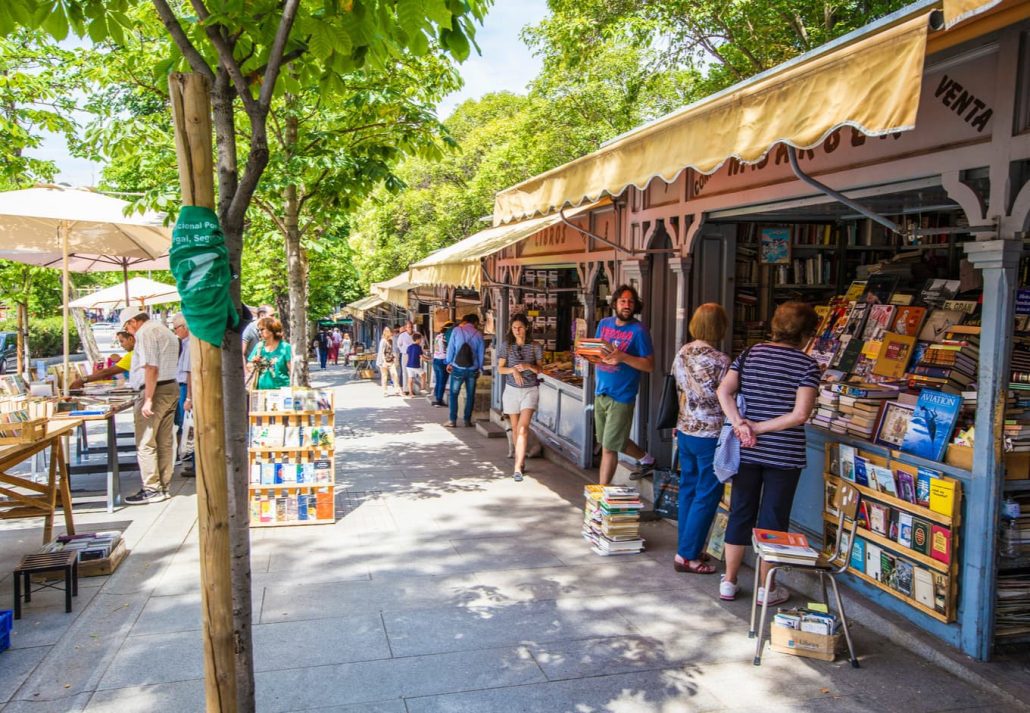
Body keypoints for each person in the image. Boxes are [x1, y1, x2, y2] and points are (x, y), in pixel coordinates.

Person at [716, 301, 820, 605]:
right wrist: (758, 428)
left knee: (740, 511)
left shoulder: (749, 354)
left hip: (746, 451)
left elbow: (724, 391)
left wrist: (740, 425)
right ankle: (766, 588)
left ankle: (729, 581)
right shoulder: (807, 366)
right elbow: (801, 415)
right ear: (806, 333)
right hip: (784, 455)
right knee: (773, 519)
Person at [670, 304, 730, 574]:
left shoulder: (682, 352)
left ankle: (687, 545)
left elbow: (678, 388)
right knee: (708, 492)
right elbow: (726, 396)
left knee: (689, 488)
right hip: (710, 433)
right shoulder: (721, 360)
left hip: (685, 428)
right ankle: (687, 555)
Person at [593, 285, 655, 485]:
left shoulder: (639, 331)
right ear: (615, 304)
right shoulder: (604, 323)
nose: (626, 305)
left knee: (609, 447)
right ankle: (647, 459)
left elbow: (649, 366)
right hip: (601, 391)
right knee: (609, 440)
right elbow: (595, 351)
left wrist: (624, 357)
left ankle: (600, 496)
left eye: (630, 301)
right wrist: (589, 356)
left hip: (622, 395)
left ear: (635, 305)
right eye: (623, 301)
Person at [121, 309, 180, 505]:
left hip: (156, 390)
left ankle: (152, 489)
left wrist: (148, 398)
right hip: (171, 386)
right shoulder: (164, 330)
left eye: (127, 327)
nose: (128, 332)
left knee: (146, 442)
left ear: (133, 322)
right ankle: (163, 485)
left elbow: (151, 367)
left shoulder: (145, 333)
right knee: (164, 441)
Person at [497, 314, 543, 482]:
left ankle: (517, 467)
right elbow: (500, 369)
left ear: (526, 328)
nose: (517, 330)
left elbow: (540, 369)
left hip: (530, 390)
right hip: (511, 391)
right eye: (514, 327)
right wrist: (513, 370)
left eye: (520, 327)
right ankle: (520, 461)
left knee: (523, 429)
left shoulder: (536, 346)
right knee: (516, 429)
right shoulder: (506, 346)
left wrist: (528, 366)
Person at [445, 314, 485, 427]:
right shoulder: (478, 334)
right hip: (472, 369)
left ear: (465, 321)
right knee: (470, 394)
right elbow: (481, 354)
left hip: (457, 368)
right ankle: (467, 420)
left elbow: (451, 348)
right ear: (475, 322)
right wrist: (480, 367)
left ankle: (452, 420)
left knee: (453, 394)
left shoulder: (457, 330)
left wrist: (449, 362)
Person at [171, 313, 195, 478]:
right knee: (186, 424)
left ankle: (194, 461)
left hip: (185, 388)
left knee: (188, 424)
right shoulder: (185, 344)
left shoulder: (189, 345)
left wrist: (188, 398)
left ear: (184, 327)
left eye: (176, 328)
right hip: (183, 387)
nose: (175, 332)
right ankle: (192, 460)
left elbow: (190, 374)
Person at [69, 331, 134, 388]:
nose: (121, 345)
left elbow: (106, 372)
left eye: (122, 341)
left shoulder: (133, 354)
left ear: (130, 339)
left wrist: (82, 380)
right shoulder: (134, 353)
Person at [430, 321, 454, 407]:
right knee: (442, 381)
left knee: (438, 380)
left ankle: (437, 397)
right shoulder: (446, 337)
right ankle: (439, 400)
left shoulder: (438, 336)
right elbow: (449, 348)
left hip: (436, 360)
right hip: (443, 360)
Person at [377, 326, 401, 396]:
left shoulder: (391, 340)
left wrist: (394, 357)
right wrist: (384, 361)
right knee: (384, 376)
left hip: (390, 360)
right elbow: (381, 352)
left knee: (394, 374)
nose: (390, 333)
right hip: (383, 361)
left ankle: (396, 389)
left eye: (390, 332)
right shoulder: (383, 341)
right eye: (389, 332)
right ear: (386, 333)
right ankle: (385, 391)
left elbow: (392, 350)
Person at [405, 332, 426, 397]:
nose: (421, 341)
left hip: (409, 365)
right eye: (420, 339)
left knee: (410, 378)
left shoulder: (409, 347)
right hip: (416, 365)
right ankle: (423, 388)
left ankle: (411, 393)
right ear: (417, 339)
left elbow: (409, 355)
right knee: (423, 375)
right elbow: (422, 357)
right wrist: (428, 359)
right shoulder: (419, 347)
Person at [394, 321, 413, 389]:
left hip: (413, 356)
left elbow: (421, 341)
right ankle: (405, 388)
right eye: (408, 327)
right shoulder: (402, 335)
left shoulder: (415, 334)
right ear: (406, 328)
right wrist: (404, 350)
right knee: (405, 371)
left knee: (412, 372)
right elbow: (399, 345)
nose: (410, 328)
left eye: (411, 327)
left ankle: (411, 388)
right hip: (405, 355)